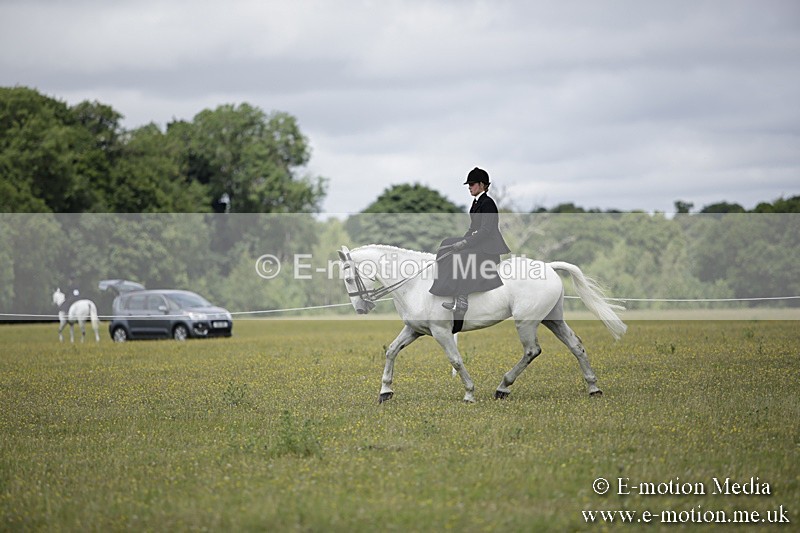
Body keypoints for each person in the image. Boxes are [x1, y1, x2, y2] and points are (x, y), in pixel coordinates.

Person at [429, 167, 510, 330]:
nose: (469, 187)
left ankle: (462, 300)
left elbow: (486, 231)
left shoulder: (488, 203)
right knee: (446, 243)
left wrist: (465, 244)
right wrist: (459, 242)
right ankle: (445, 286)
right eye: (469, 184)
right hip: (480, 244)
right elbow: (473, 227)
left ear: (482, 185)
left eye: (472, 184)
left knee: (462, 257)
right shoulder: (476, 202)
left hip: (489, 249)